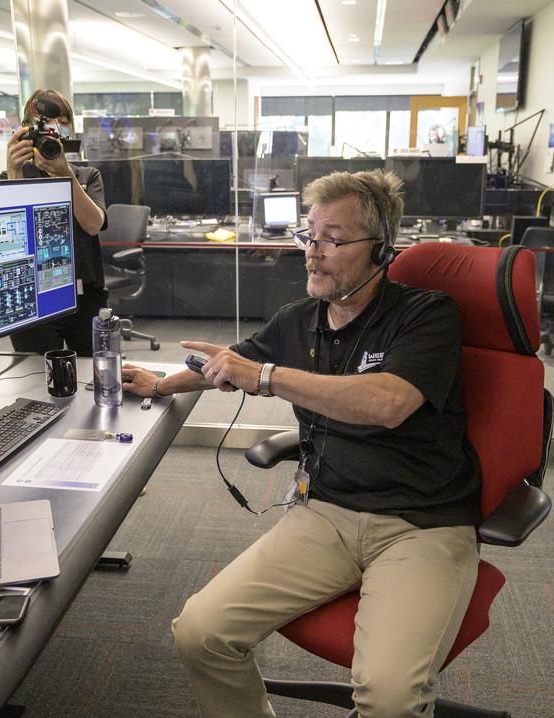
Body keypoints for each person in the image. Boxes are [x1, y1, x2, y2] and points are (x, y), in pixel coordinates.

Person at [122, 170, 482, 718]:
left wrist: (267, 376)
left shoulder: (425, 314)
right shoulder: (297, 322)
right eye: (307, 237)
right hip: (327, 515)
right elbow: (229, 364)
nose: (313, 253)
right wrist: (163, 382)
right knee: (200, 633)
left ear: (381, 251)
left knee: (388, 698)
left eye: (332, 240)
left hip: (423, 524)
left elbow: (388, 403)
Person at [1, 88, 108, 355]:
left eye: (61, 122)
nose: (55, 129)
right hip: (33, 298)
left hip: (84, 296)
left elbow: (93, 225)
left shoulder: (87, 175)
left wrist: (65, 175)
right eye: (47, 124)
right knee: (35, 379)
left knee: (93, 374)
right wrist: (15, 173)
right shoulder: (10, 178)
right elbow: (10, 239)